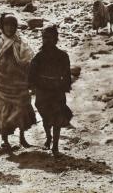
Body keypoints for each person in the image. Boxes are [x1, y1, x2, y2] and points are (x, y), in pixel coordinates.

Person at [0, 13, 36, 151]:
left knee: (21, 108)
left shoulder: (20, 41)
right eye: (7, 25)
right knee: (2, 110)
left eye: (13, 25)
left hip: (18, 81)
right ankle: (4, 139)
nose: (10, 28)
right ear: (2, 27)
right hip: (2, 82)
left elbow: (28, 59)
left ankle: (22, 137)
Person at [28, 24, 73, 156]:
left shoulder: (62, 56)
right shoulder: (38, 56)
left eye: (50, 38)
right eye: (44, 38)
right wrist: (33, 86)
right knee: (46, 118)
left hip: (57, 90)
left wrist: (65, 85)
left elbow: (67, 73)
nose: (47, 40)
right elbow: (32, 73)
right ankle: (48, 136)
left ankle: (55, 147)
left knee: (57, 118)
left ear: (55, 39)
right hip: (43, 91)